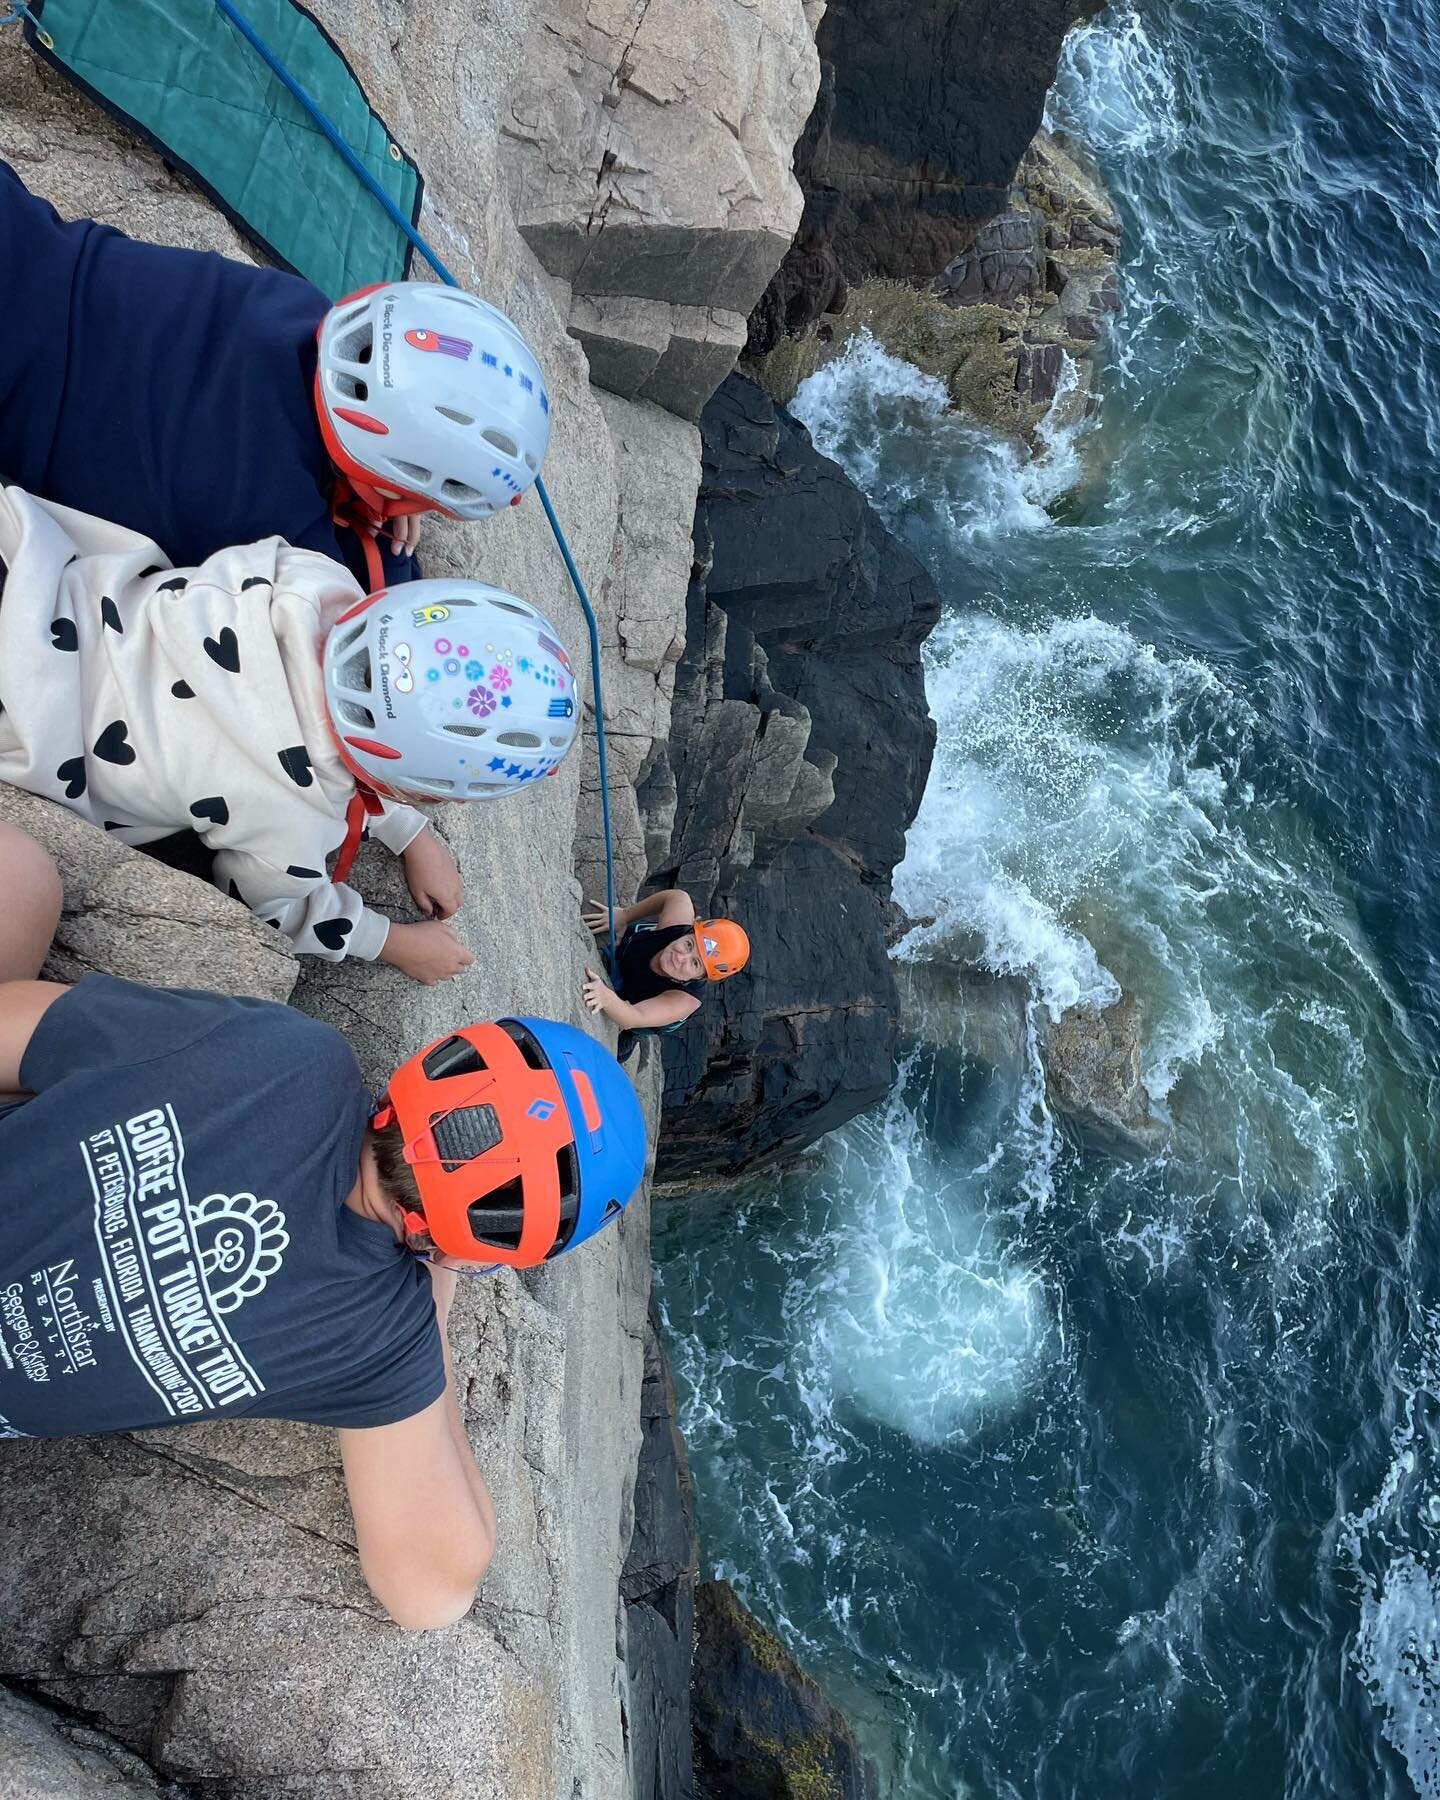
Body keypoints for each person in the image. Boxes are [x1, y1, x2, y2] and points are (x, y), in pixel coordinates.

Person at [0, 819, 646, 1629]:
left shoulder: (288, 1055)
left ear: (431, 1066)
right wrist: (434, 1294)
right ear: (481, 1246)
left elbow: (12, 1027)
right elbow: (433, 1591)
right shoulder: (379, 1342)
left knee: (20, 873)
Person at [0, 484, 580, 980]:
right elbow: (277, 907)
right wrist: (395, 942)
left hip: (32, 574)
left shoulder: (309, 578)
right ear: (418, 788)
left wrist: (407, 831)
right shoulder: (296, 824)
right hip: (25, 718)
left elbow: (320, 713)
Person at [0, 158, 551, 593]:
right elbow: (376, 610)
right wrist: (385, 508)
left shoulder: (291, 307)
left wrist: (384, 483)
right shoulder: (279, 523)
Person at [580, 888, 750, 1044]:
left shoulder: (683, 1000)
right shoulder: (676, 923)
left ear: (701, 977)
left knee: (623, 1039)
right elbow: (677, 896)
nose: (681, 957)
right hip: (629, 952)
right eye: (689, 945)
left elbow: (633, 1017)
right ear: (689, 930)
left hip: (638, 1006)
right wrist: (624, 915)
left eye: (695, 963)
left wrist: (606, 997)